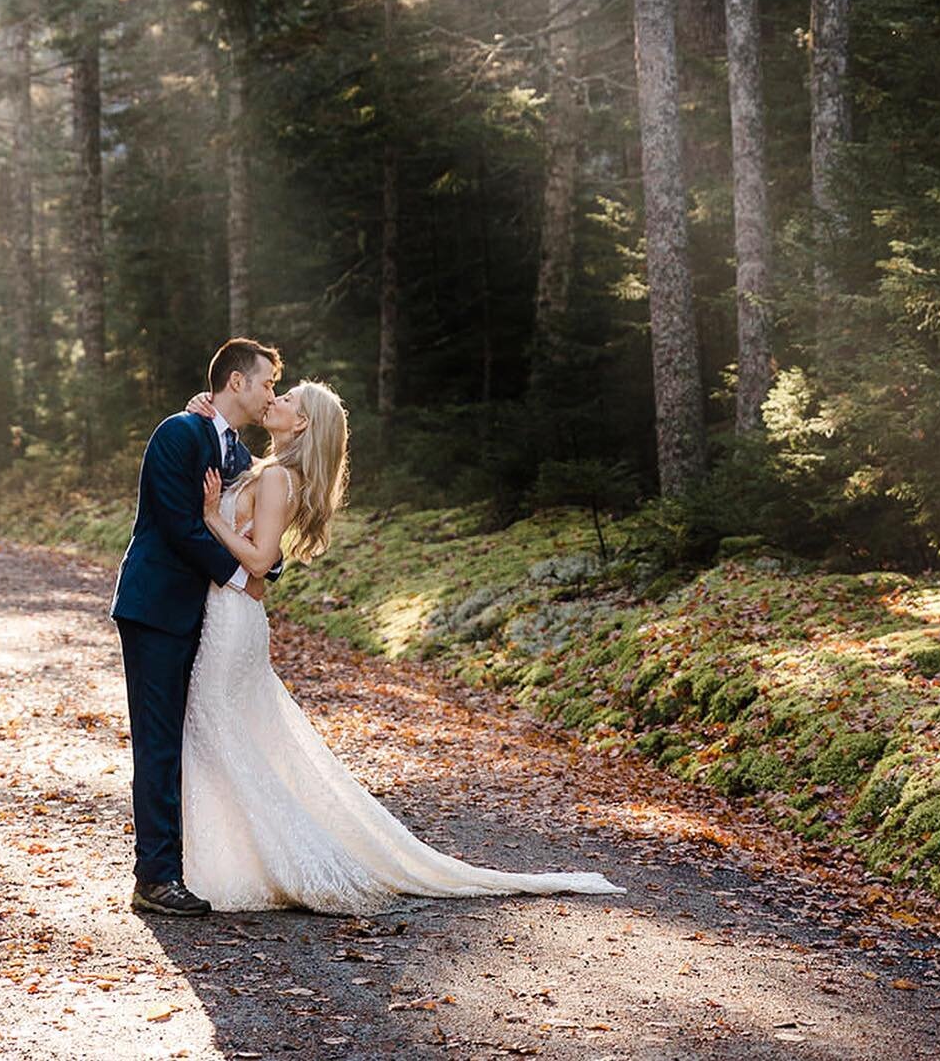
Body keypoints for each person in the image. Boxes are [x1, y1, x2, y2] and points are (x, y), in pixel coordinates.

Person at [178, 379, 626, 913]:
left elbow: (258, 562)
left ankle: (253, 862)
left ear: (301, 425)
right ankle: (228, 858)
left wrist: (209, 518)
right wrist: (199, 411)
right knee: (230, 737)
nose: (275, 399)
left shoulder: (276, 477)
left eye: (289, 399)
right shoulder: (269, 468)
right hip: (232, 616)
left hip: (232, 624)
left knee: (217, 731)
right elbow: (235, 473)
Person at [110, 337, 282, 916]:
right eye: (265, 383)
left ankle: (185, 863)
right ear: (236, 382)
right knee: (158, 743)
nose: (269, 396)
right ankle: (155, 877)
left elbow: (244, 513)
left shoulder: (228, 447)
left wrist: (265, 562)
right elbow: (183, 528)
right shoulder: (177, 434)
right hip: (155, 609)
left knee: (187, 741)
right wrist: (243, 578)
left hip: (196, 617)